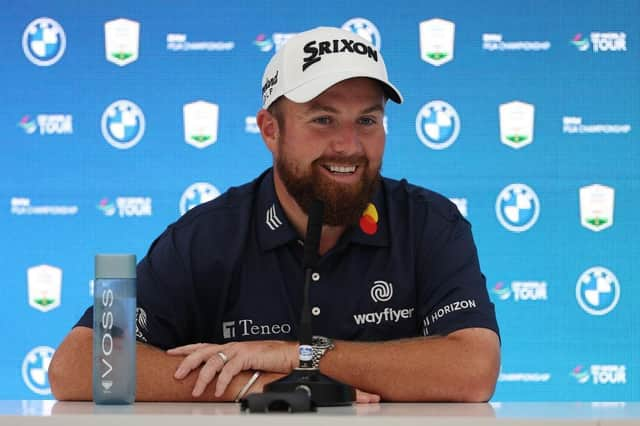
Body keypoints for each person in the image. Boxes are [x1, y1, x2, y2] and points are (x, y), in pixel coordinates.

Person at [49, 26, 500, 403]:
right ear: (270, 129)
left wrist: (298, 356)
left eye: (367, 120)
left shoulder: (432, 222)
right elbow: (76, 362)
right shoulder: (201, 234)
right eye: (323, 120)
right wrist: (259, 386)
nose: (349, 145)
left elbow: (475, 370)